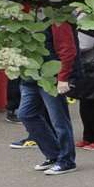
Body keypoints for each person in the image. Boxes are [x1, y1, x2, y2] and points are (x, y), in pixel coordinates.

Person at [20, 18, 80, 176]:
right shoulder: (31, 15)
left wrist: (63, 77)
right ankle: (55, 155)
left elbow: (68, 50)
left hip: (50, 75)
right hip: (32, 74)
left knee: (59, 120)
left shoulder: (56, 19)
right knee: (26, 114)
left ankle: (66, 160)